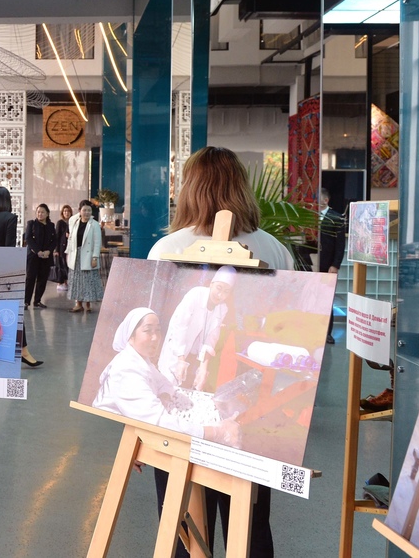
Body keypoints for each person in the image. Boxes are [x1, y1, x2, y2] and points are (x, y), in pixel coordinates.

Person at [147, 146, 293, 558]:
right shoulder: (274, 250)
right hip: (250, 410)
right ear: (241, 188)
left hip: (181, 412)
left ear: (190, 189)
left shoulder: (166, 248)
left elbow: (154, 336)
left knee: (182, 524)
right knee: (249, 525)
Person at [92, 307, 241, 443]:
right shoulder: (126, 371)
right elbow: (158, 422)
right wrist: (216, 432)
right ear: (130, 337)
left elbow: (164, 384)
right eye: (148, 331)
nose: (155, 337)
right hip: (110, 437)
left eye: (157, 330)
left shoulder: (142, 361)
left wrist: (164, 398)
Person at [0, 186, 42, 367]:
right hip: (5, 271)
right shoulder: (10, 218)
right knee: (14, 311)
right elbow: (9, 248)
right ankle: (23, 351)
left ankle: (1, 350)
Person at [156, 266, 236, 391]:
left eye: (226, 291)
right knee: (168, 384)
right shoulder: (195, 294)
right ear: (211, 284)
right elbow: (180, 326)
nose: (220, 295)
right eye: (219, 288)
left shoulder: (222, 308)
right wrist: (181, 359)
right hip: (177, 348)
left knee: (189, 387)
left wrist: (203, 369)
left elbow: (211, 339)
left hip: (195, 355)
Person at [318, 187, 346, 344]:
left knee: (327, 299)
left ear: (325, 200)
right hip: (311, 264)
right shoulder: (308, 217)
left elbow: (340, 245)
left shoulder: (337, 217)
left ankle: (327, 333)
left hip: (328, 265)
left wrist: (335, 265)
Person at [66, 200, 104, 313]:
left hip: (88, 256)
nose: (87, 213)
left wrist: (95, 257)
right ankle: (78, 304)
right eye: (84, 210)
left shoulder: (94, 224)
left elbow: (97, 242)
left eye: (89, 210)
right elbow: (71, 220)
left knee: (88, 280)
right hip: (76, 255)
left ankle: (88, 304)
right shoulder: (75, 222)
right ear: (79, 211)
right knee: (77, 280)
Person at [24, 204, 56, 309]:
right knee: (30, 278)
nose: (40, 214)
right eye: (38, 212)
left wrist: (49, 251)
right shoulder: (31, 224)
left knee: (42, 279)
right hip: (33, 256)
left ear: (47, 214)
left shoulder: (51, 225)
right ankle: (26, 302)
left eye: (42, 212)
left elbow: (54, 240)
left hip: (46, 257)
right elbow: (28, 238)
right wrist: (38, 251)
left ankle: (37, 301)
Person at [55, 204, 73, 291]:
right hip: (62, 247)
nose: (67, 213)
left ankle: (66, 282)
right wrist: (56, 249)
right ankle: (60, 283)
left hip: (70, 247)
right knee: (61, 265)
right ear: (62, 212)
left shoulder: (72, 222)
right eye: (65, 211)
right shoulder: (60, 223)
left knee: (67, 265)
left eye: (68, 211)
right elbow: (57, 236)